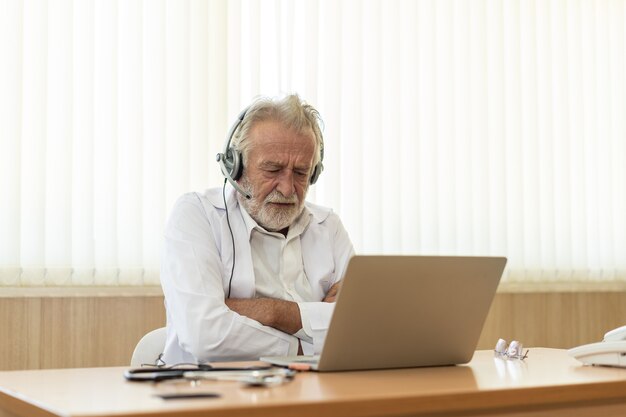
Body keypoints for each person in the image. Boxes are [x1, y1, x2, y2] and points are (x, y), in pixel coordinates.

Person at [160, 94, 355, 364]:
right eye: (273, 170)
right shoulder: (196, 215)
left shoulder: (328, 226)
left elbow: (357, 327)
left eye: (300, 173)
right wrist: (308, 345)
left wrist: (274, 312)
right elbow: (206, 336)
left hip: (311, 393)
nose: (288, 189)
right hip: (210, 393)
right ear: (235, 167)